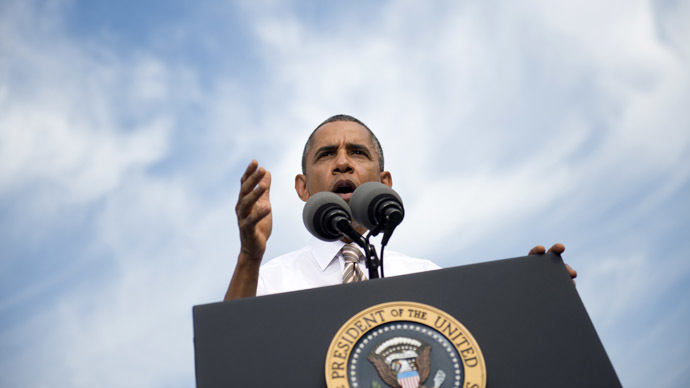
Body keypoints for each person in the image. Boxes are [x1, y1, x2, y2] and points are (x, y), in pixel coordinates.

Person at [224, 115, 576, 300]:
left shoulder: (424, 276)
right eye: (327, 154)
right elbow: (230, 354)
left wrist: (537, 300)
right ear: (302, 187)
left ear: (384, 182)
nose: (342, 163)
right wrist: (249, 257)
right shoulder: (269, 280)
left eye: (358, 153)